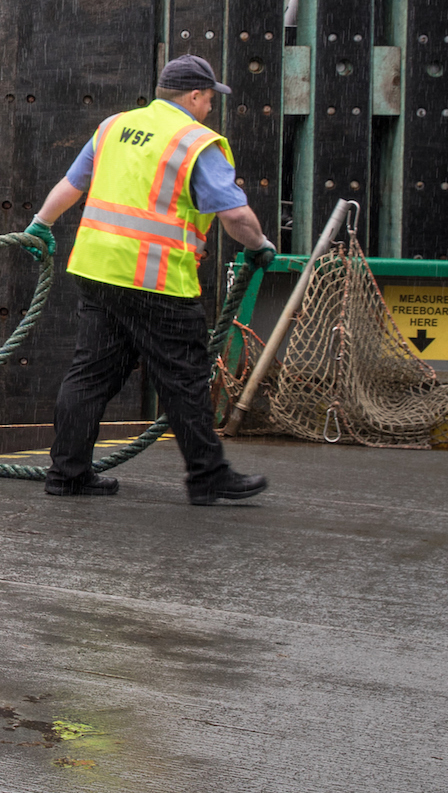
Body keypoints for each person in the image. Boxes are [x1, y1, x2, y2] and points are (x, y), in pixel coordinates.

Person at [24, 54, 278, 505]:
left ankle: (67, 474)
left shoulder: (115, 126)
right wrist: (259, 246)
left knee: (89, 376)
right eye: (208, 100)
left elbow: (73, 183)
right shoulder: (196, 142)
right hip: (155, 282)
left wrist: (41, 224)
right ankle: (207, 476)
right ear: (195, 95)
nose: (209, 109)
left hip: (97, 273)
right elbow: (235, 215)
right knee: (185, 380)